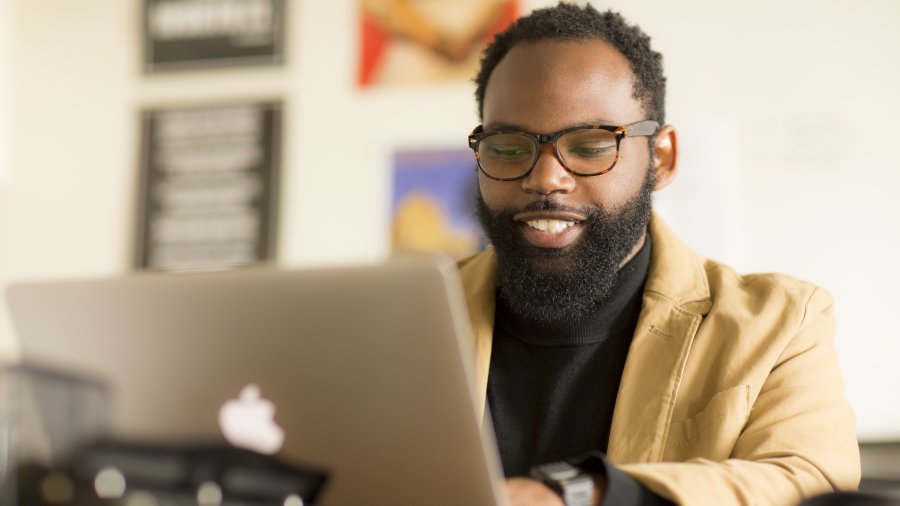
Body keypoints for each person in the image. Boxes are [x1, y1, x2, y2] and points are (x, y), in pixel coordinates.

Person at [459, 3, 861, 505]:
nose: (545, 178)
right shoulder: (403, 316)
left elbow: (807, 481)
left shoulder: (780, 324)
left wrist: (582, 494)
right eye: (509, 147)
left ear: (662, 159)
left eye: (589, 146)